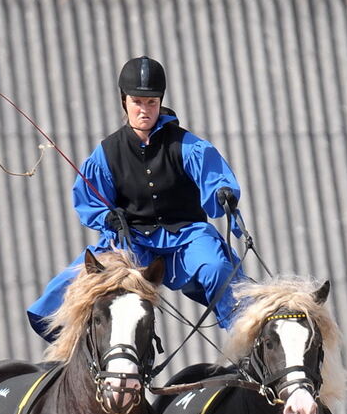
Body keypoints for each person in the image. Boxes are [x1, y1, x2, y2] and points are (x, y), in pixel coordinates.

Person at [27, 56, 247, 341]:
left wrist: (223, 194)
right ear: (124, 102)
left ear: (160, 102)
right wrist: (107, 217)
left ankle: (246, 335)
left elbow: (215, 178)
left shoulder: (189, 146)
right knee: (83, 279)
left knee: (218, 268)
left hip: (188, 236)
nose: (145, 110)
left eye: (151, 103)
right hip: (134, 240)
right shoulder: (106, 153)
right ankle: (78, 348)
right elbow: (89, 201)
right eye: (137, 102)